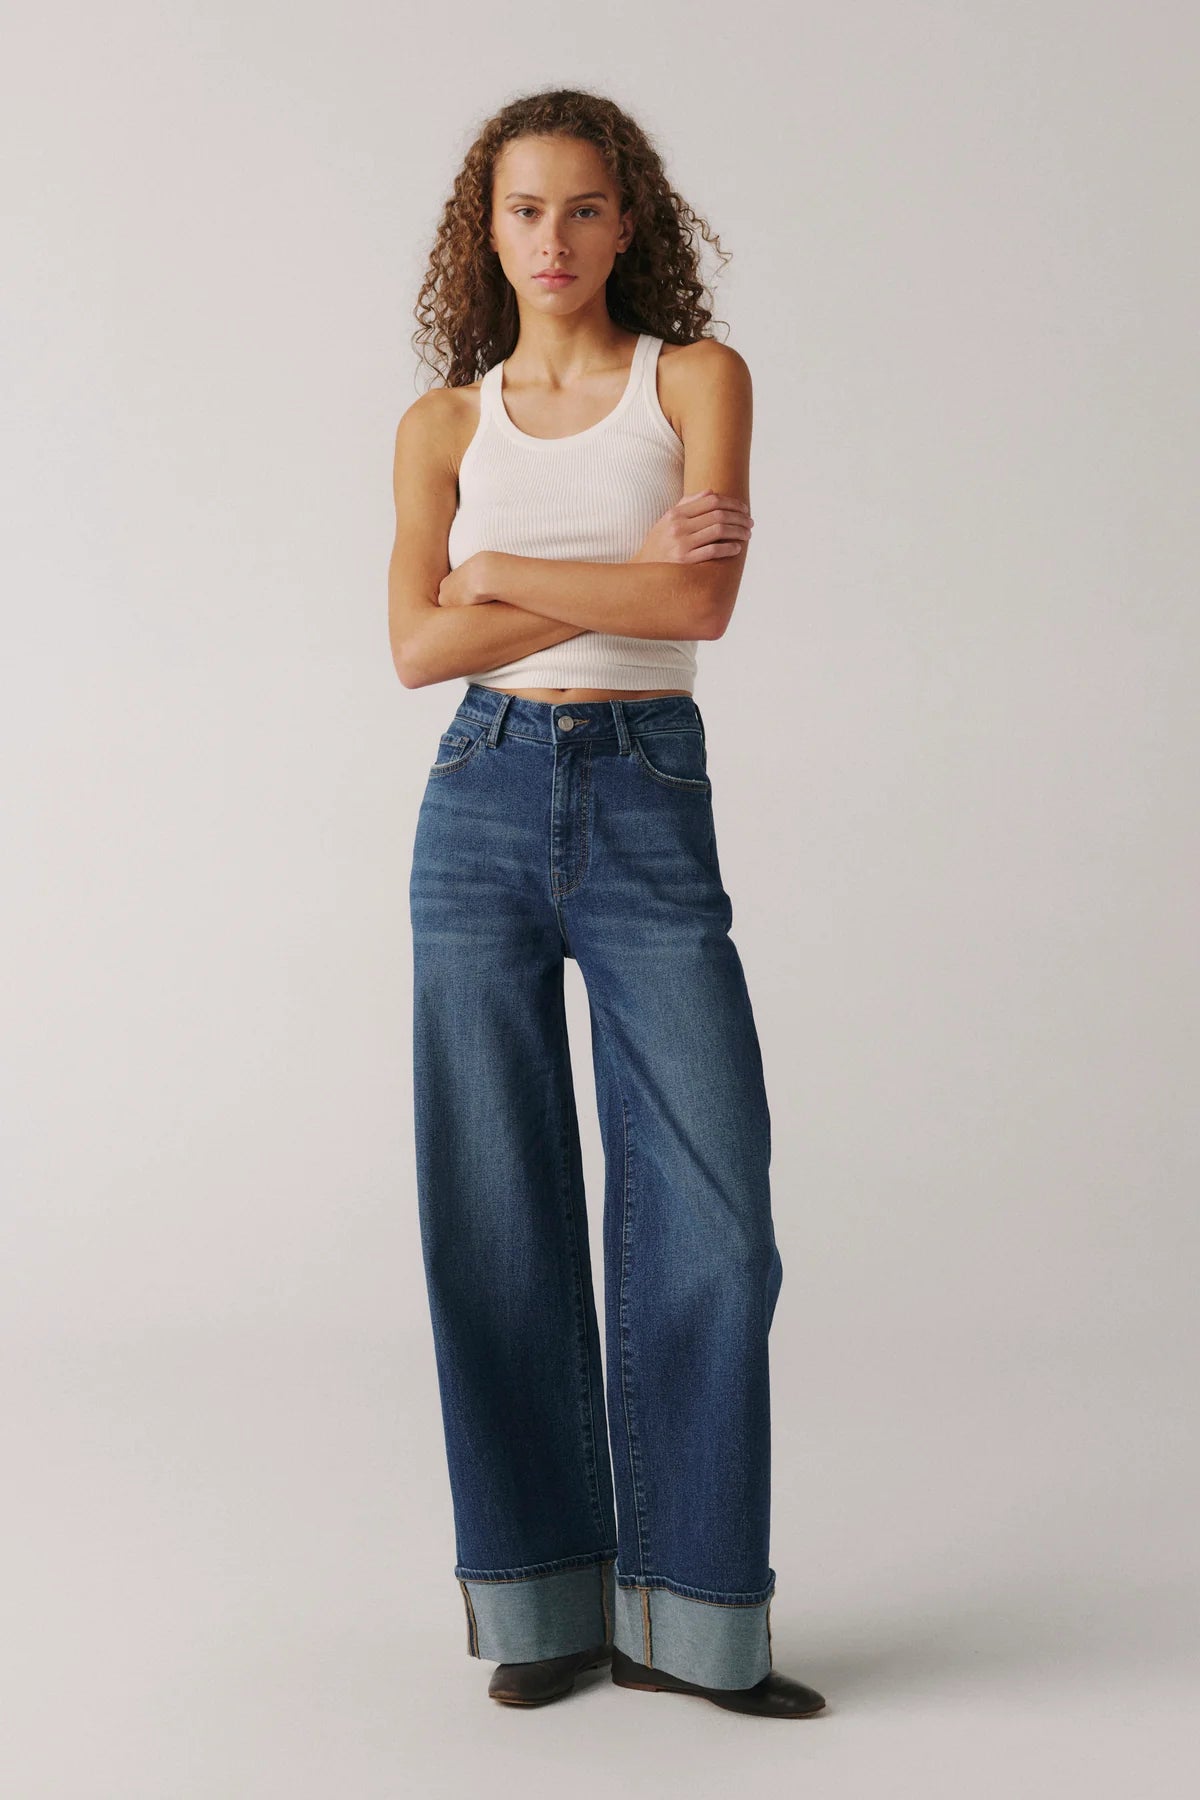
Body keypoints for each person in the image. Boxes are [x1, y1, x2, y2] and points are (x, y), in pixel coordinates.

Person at [388, 87, 828, 1721]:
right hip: (479, 800)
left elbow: (700, 602)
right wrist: (605, 578)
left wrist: (499, 574)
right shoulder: (444, 426)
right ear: (486, 230)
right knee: (494, 1212)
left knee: (714, 1224)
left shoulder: (694, 380)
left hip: (647, 795)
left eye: (584, 207)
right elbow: (415, 649)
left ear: (629, 220)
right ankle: (544, 1608)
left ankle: (696, 1619)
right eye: (525, 210)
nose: (554, 238)